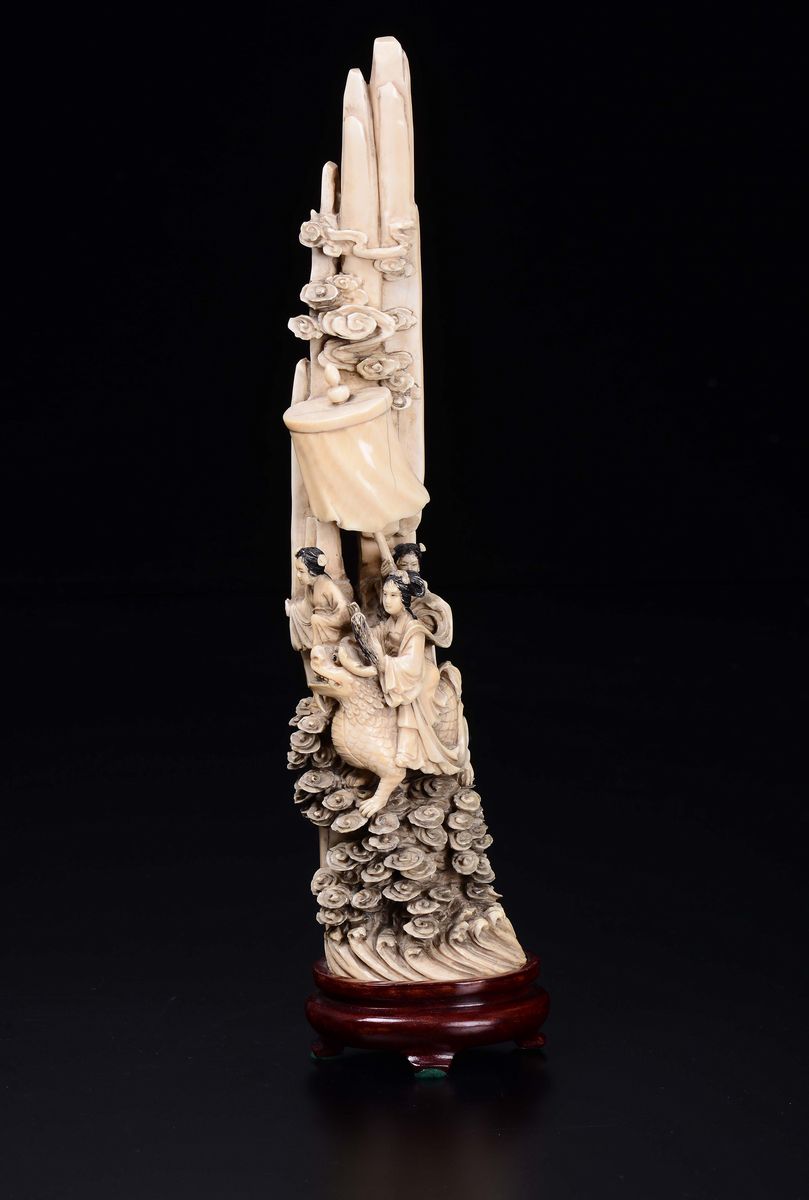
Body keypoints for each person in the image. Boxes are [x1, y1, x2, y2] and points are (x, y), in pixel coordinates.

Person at [368, 572, 464, 775]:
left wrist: (384, 663)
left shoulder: (414, 628)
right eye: (385, 594)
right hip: (400, 673)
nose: (387, 600)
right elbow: (377, 634)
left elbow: (411, 664)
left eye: (393, 595)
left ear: (404, 598)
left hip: (420, 676)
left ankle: (409, 752)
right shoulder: (390, 622)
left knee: (408, 705)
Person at [374, 538, 453, 650]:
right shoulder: (395, 580)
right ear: (397, 565)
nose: (410, 568)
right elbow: (384, 604)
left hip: (421, 622)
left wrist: (403, 576)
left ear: (419, 566)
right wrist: (384, 577)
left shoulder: (418, 583)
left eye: (414, 564)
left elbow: (418, 587)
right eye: (404, 565)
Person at [285, 547, 351, 650]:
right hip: (318, 628)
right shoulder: (310, 586)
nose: (298, 575)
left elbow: (344, 611)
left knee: (315, 619)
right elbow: (306, 606)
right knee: (312, 618)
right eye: (297, 571)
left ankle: (322, 646)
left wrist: (323, 621)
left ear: (312, 571)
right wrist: (293, 609)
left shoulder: (327, 585)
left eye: (301, 571)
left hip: (332, 629)